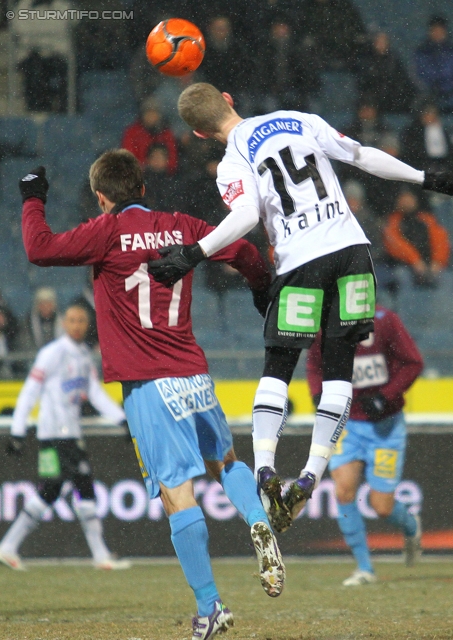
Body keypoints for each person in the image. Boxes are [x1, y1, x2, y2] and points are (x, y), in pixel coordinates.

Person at [148, 82, 453, 535]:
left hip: (300, 261)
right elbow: (361, 155)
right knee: (339, 369)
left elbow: (247, 217)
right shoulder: (298, 119)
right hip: (353, 252)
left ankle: (265, 469)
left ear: (198, 133)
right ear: (231, 99)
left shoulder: (233, 160)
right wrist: (425, 179)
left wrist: (193, 253)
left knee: (278, 367)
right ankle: (312, 473)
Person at [18, 150, 285, 640]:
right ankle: (257, 519)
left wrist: (33, 196)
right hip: (194, 374)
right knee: (225, 461)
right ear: (142, 187)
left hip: (147, 384)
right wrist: (261, 285)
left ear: (102, 197)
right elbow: (244, 250)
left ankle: (210, 607)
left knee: (175, 494)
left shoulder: (104, 232)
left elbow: (39, 248)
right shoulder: (182, 225)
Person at [0, 305, 129, 571]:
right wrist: (18, 430)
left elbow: (95, 393)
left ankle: (8, 546)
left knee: (51, 490)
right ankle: (100, 556)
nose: (77, 324)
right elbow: (29, 392)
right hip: (54, 434)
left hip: (70, 434)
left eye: (81, 320)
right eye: (72, 320)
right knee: (83, 486)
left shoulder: (83, 355)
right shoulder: (52, 354)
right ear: (64, 323)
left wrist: (121, 419)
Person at [306, 305, 423, 586]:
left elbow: (413, 363)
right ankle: (364, 568)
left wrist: (386, 395)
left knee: (381, 506)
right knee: (343, 490)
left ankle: (411, 525)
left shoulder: (385, 320)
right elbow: (315, 365)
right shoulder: (325, 326)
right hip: (349, 424)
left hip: (387, 425)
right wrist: (317, 393)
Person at [383, 187, 451, 288]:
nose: (407, 202)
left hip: (430, 265)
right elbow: (396, 245)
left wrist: (437, 261)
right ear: (397, 202)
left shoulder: (427, 219)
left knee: (448, 278)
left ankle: (442, 304)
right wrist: (415, 261)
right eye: (403, 199)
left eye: (409, 198)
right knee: (402, 275)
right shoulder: (392, 222)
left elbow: (441, 241)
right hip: (404, 266)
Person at [415, 15, 453, 114]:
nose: (437, 33)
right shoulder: (422, 52)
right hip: (429, 96)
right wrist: (431, 90)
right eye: (434, 30)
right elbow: (418, 75)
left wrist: (449, 89)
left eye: (440, 30)